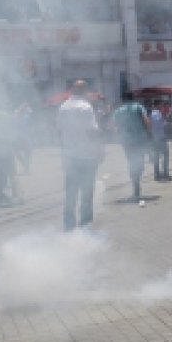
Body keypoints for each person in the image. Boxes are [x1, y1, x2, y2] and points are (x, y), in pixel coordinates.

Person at [56, 80, 103, 231]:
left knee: (70, 193)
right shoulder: (85, 107)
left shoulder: (63, 107)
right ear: (85, 91)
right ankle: (85, 226)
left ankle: (69, 225)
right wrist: (100, 148)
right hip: (87, 156)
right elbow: (92, 132)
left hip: (69, 156)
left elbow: (59, 131)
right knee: (87, 193)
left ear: (71, 91)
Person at [113, 92, 151, 200]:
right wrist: (149, 133)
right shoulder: (138, 107)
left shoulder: (118, 111)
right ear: (133, 98)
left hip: (126, 142)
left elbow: (115, 127)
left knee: (131, 161)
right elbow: (146, 121)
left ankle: (135, 181)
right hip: (139, 140)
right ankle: (136, 181)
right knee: (140, 162)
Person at [150, 100, 172, 181]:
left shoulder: (154, 113)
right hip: (160, 138)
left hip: (155, 138)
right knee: (165, 156)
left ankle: (157, 174)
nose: (162, 107)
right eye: (161, 105)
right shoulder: (156, 113)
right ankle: (165, 174)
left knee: (157, 157)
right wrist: (166, 117)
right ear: (158, 105)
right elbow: (160, 122)